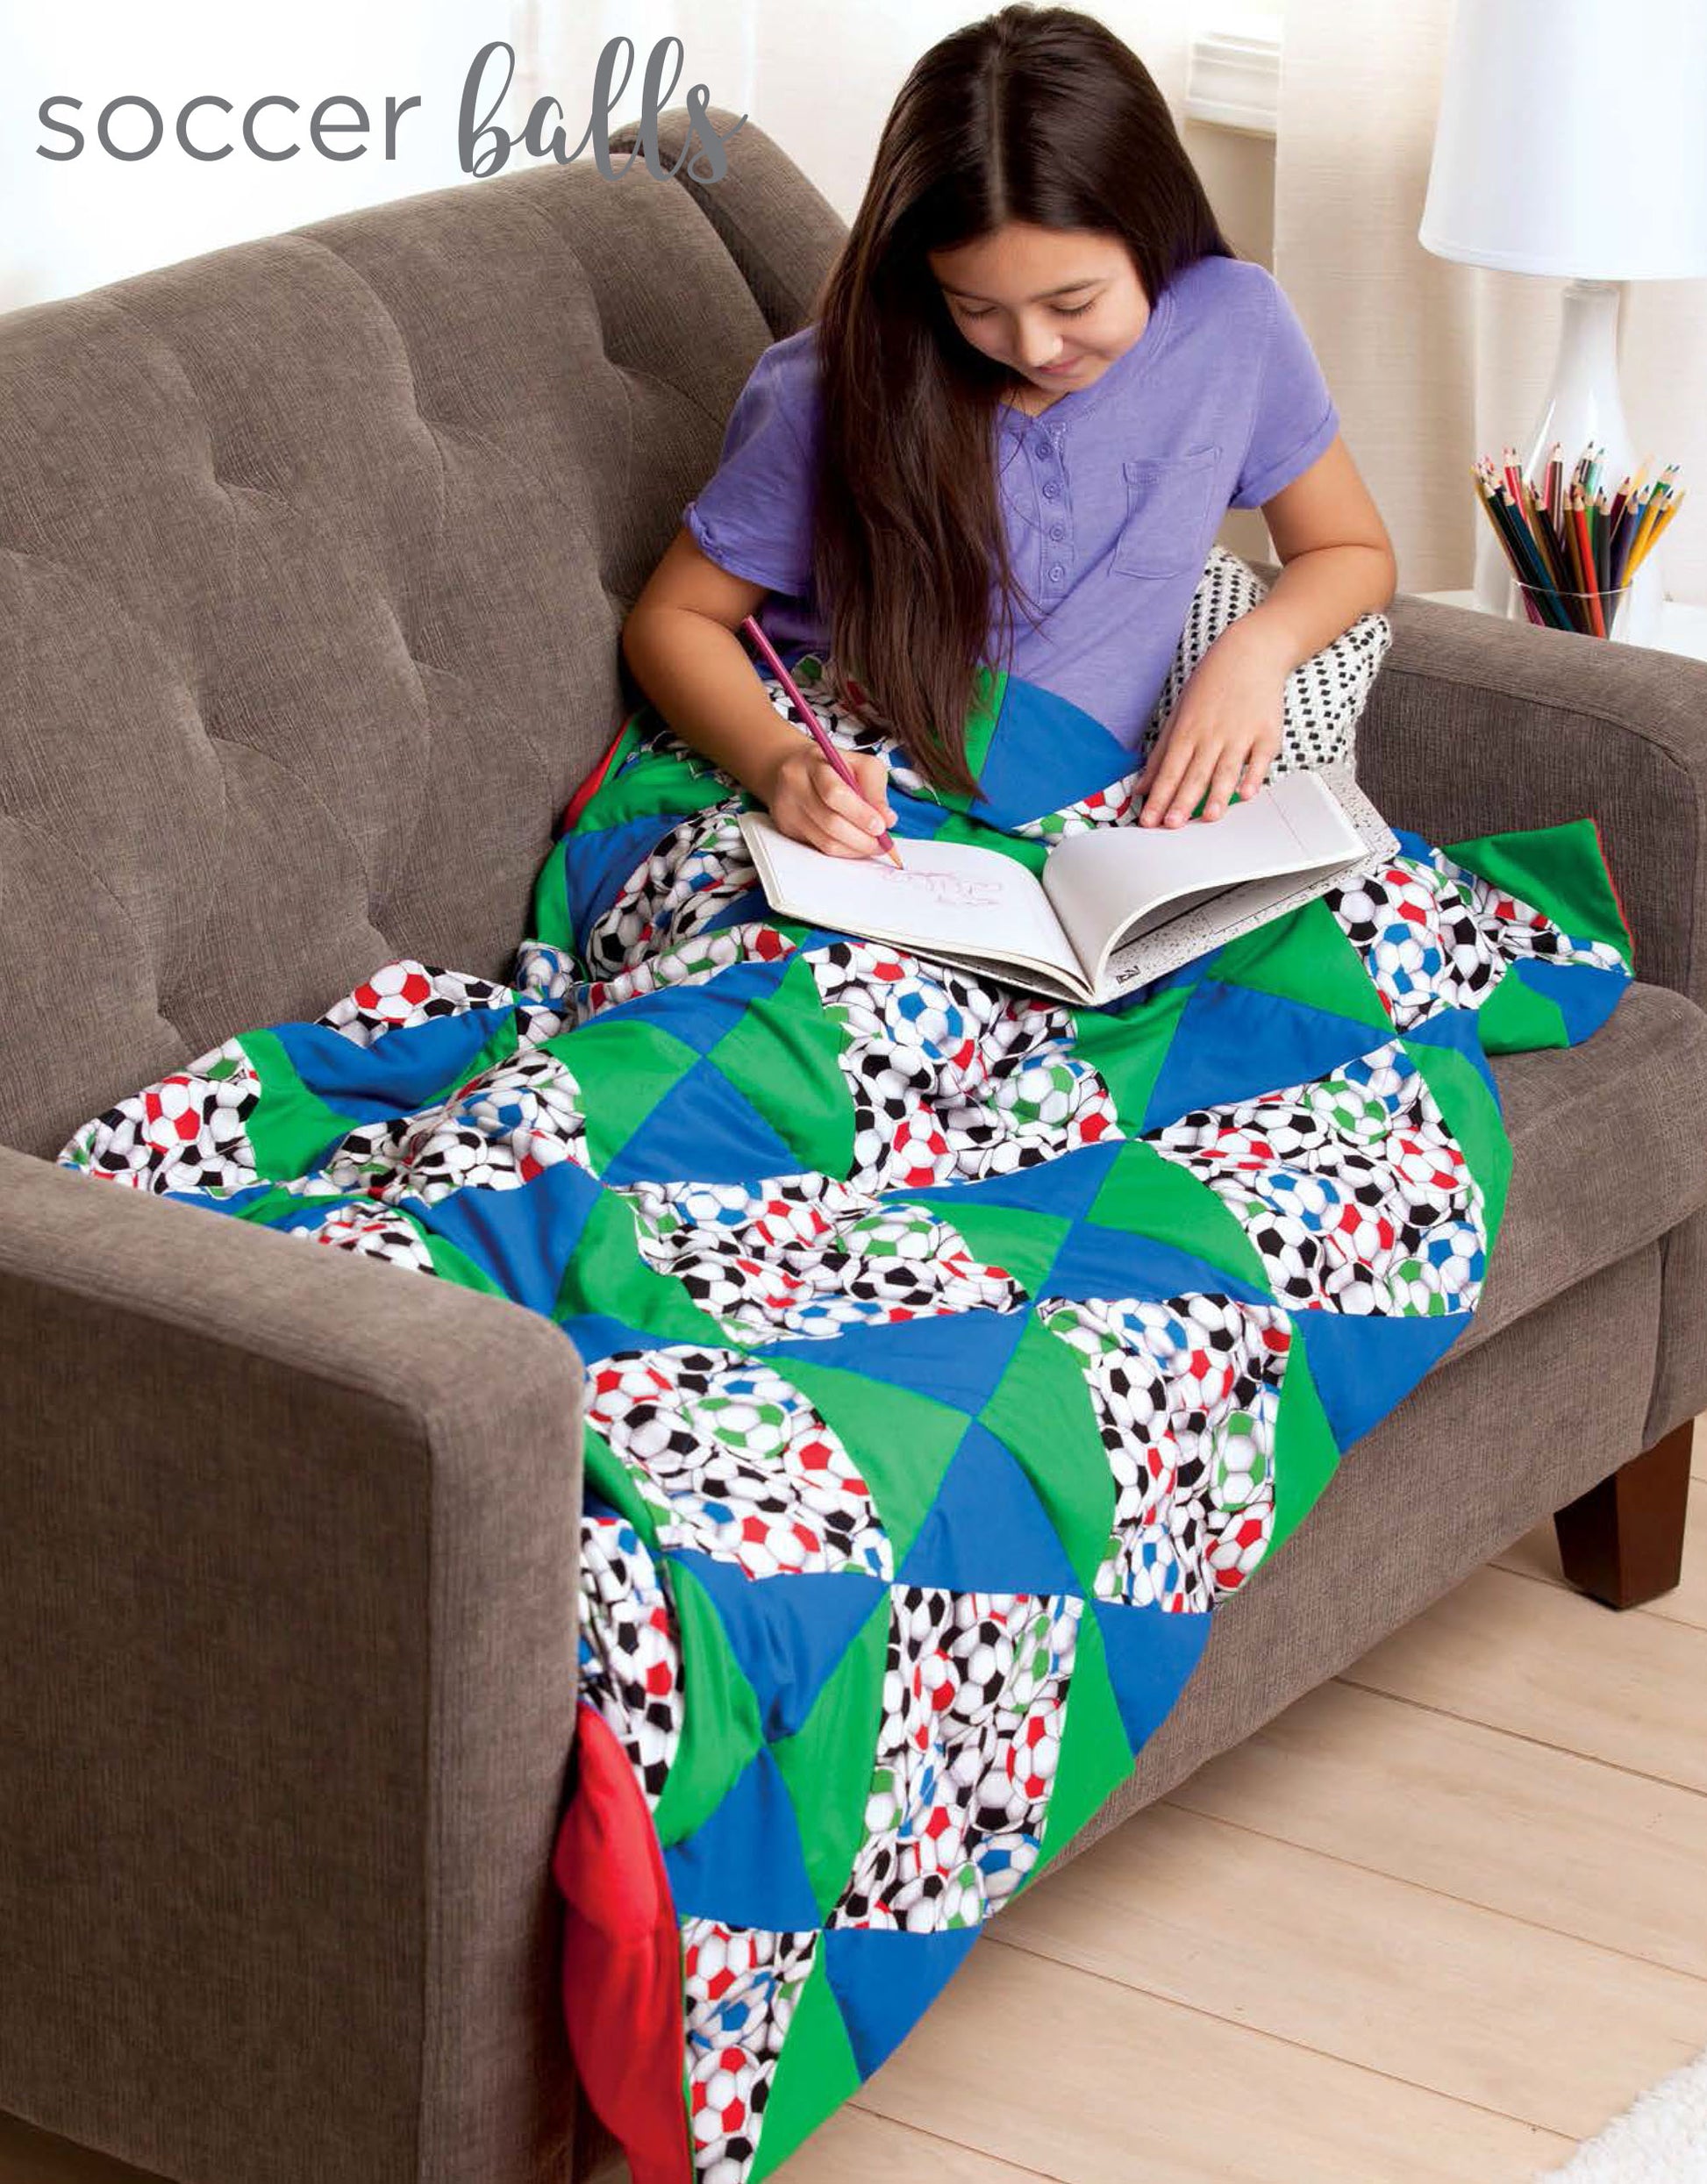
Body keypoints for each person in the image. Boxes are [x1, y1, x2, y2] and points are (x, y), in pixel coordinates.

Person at [621, 2, 1396, 859]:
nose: (1031, 347)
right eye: (975, 307)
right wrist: (780, 764)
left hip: (1093, 813)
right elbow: (676, 616)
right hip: (861, 791)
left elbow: (1347, 549)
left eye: (1072, 303)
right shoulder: (835, 385)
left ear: (1151, 229)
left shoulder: (1234, 322)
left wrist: (1252, 654)